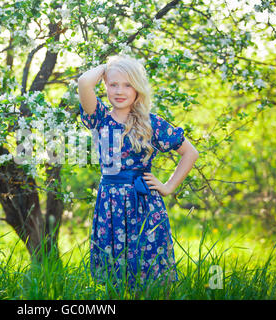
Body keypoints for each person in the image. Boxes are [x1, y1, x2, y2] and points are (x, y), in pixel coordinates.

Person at [77, 55, 199, 293]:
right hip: (110, 204)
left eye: (128, 84)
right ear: (105, 86)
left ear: (138, 88)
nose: (120, 91)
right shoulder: (100, 117)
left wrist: (168, 186)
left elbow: (190, 153)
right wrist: (108, 67)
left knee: (151, 271)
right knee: (114, 277)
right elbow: (83, 82)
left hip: (144, 203)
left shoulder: (151, 123)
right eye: (113, 84)